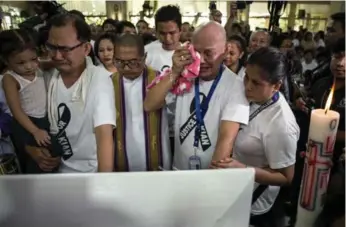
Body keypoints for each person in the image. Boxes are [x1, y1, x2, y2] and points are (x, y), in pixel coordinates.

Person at [212, 47, 299, 227]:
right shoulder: (253, 95)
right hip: (231, 189)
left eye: (256, 83)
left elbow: (286, 177)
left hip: (253, 203)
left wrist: (243, 169)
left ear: (276, 86)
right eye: (246, 77)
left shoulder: (282, 125)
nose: (247, 86)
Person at [144, 21, 249, 170]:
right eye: (197, 52)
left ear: (225, 50)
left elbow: (226, 140)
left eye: (209, 53)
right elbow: (149, 104)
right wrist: (174, 71)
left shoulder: (236, 86)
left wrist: (207, 183)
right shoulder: (184, 77)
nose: (201, 60)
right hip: (179, 172)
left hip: (209, 178)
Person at [27, 13, 116, 173]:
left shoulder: (98, 79)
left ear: (86, 48)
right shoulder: (46, 77)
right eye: (52, 47)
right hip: (58, 173)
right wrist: (33, 151)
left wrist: (104, 185)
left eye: (65, 49)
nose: (57, 56)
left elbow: (104, 138)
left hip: (90, 175)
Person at [0, 29, 61, 173]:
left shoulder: (38, 66)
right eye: (21, 62)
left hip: (44, 119)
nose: (29, 66)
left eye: (33, 59)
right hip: (26, 123)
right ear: (6, 60)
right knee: (36, 162)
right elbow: (16, 111)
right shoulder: (10, 78)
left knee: (54, 153)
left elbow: (53, 62)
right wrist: (34, 131)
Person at [112, 34, 171, 171]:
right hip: (121, 163)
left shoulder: (160, 80)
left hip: (157, 161)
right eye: (120, 62)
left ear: (144, 58)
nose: (126, 68)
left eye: (133, 62)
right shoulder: (108, 84)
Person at [145, 5, 182, 156]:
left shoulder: (189, 52)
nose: (167, 38)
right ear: (155, 31)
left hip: (182, 122)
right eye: (162, 33)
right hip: (155, 122)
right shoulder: (147, 52)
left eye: (172, 33)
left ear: (180, 30)